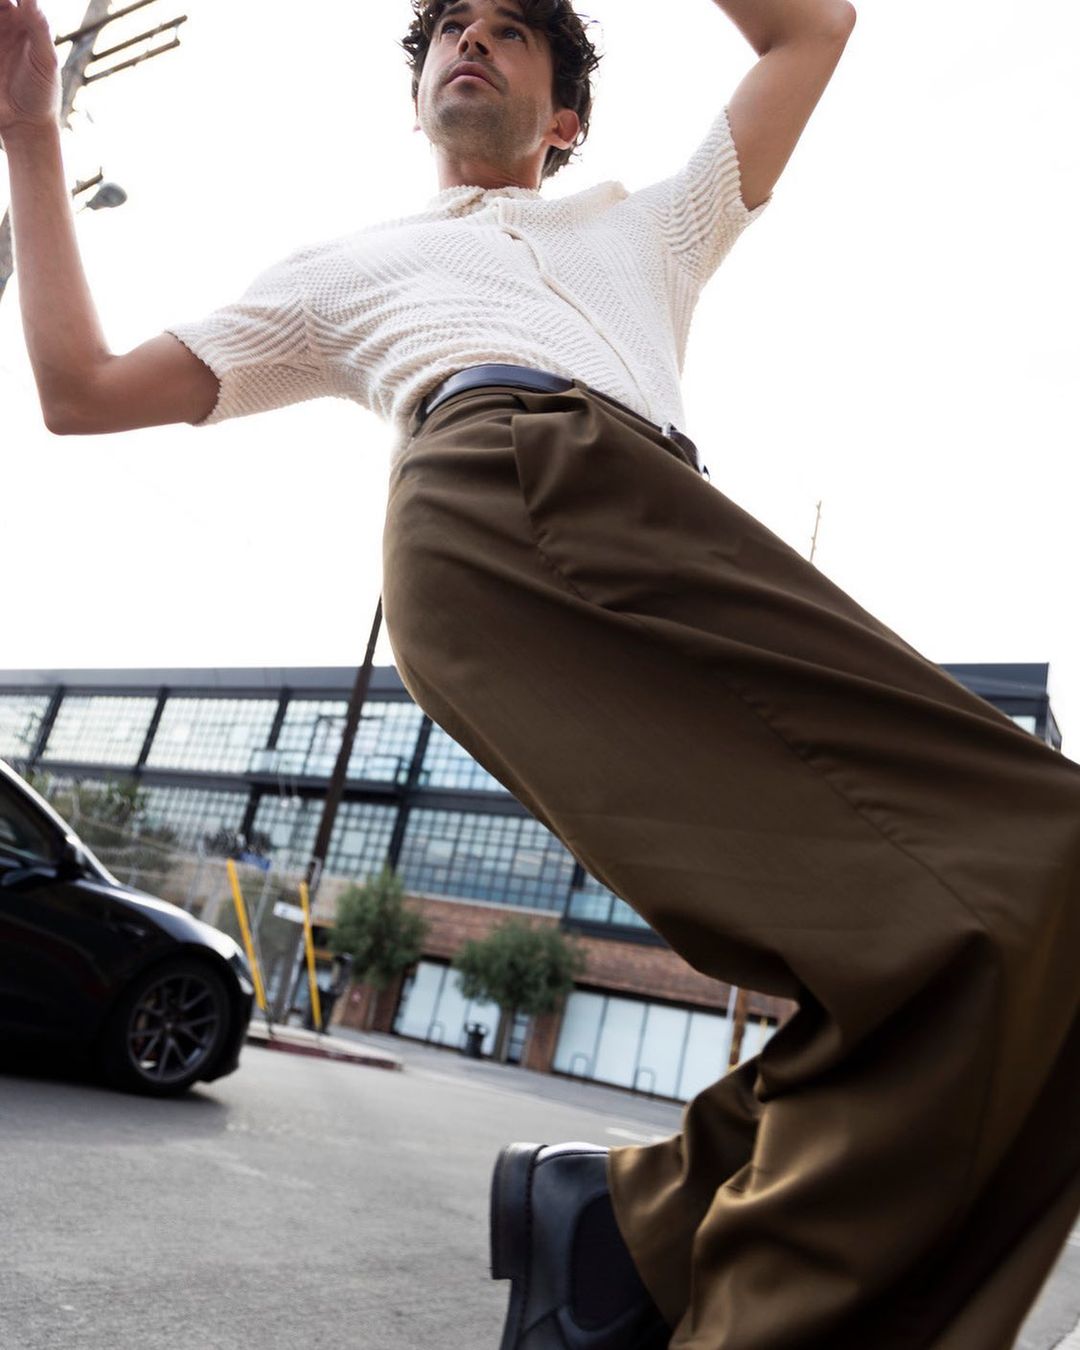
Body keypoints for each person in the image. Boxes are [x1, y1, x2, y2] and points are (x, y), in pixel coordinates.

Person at [1, 1, 1077, 1347]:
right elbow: (83, 387)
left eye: (512, 31)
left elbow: (812, 31)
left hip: (665, 521)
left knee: (1025, 897)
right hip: (498, 491)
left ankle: (639, 1228)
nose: (472, 40)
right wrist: (32, 134)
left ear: (564, 117)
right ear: (416, 93)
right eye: (452, 26)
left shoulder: (655, 225)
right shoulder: (340, 269)